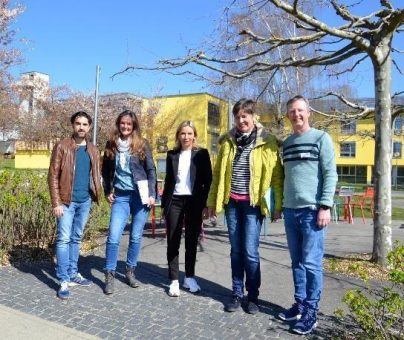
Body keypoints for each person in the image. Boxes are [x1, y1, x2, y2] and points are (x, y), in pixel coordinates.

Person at [207, 99, 283, 314]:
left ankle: (253, 296)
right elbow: (217, 175)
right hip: (231, 204)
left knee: (250, 252)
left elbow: (277, 176)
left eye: (245, 116)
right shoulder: (227, 142)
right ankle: (237, 293)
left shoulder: (267, 142)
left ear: (253, 117)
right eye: (237, 117)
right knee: (236, 251)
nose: (241, 120)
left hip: (252, 205)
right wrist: (212, 202)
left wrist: (277, 206)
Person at [278, 95, 337, 335]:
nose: (296, 115)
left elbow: (330, 174)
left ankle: (312, 311)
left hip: (313, 211)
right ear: (288, 115)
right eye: (292, 111)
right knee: (297, 262)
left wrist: (325, 206)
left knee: (312, 263)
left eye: (300, 110)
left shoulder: (322, 138)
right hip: (290, 211)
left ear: (308, 112)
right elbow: (286, 177)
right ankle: (300, 304)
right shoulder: (288, 142)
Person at [48, 111, 102, 300]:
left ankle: (73, 273)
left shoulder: (93, 150)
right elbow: (53, 175)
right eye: (78, 123)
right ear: (73, 125)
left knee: (76, 238)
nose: (81, 127)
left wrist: (96, 196)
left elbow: (95, 175)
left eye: (85, 124)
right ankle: (63, 279)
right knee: (63, 239)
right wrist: (56, 202)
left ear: (89, 127)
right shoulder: (62, 146)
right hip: (65, 202)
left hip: (84, 201)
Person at [102, 110, 156, 295]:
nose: (125, 126)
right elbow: (106, 171)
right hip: (121, 197)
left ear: (134, 126)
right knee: (114, 236)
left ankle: (130, 271)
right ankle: (109, 274)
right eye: (123, 123)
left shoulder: (142, 144)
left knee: (135, 236)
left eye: (129, 124)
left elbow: (151, 170)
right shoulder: (111, 145)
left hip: (140, 197)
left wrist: (152, 194)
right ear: (119, 124)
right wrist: (107, 191)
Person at [161, 121, 212, 297]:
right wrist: (163, 205)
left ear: (194, 136)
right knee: (173, 240)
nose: (186, 137)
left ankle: (189, 276)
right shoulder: (171, 155)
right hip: (174, 201)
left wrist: (206, 205)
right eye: (183, 133)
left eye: (189, 134)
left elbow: (208, 181)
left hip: (194, 202)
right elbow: (168, 181)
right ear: (178, 136)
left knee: (191, 240)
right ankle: (174, 279)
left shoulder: (202, 154)